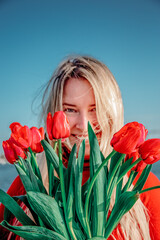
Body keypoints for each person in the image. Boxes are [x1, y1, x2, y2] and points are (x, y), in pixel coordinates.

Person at [0, 55, 160, 240]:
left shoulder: (140, 185)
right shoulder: (30, 183)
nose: (84, 125)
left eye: (95, 108)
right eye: (70, 109)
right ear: (54, 113)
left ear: (113, 111)